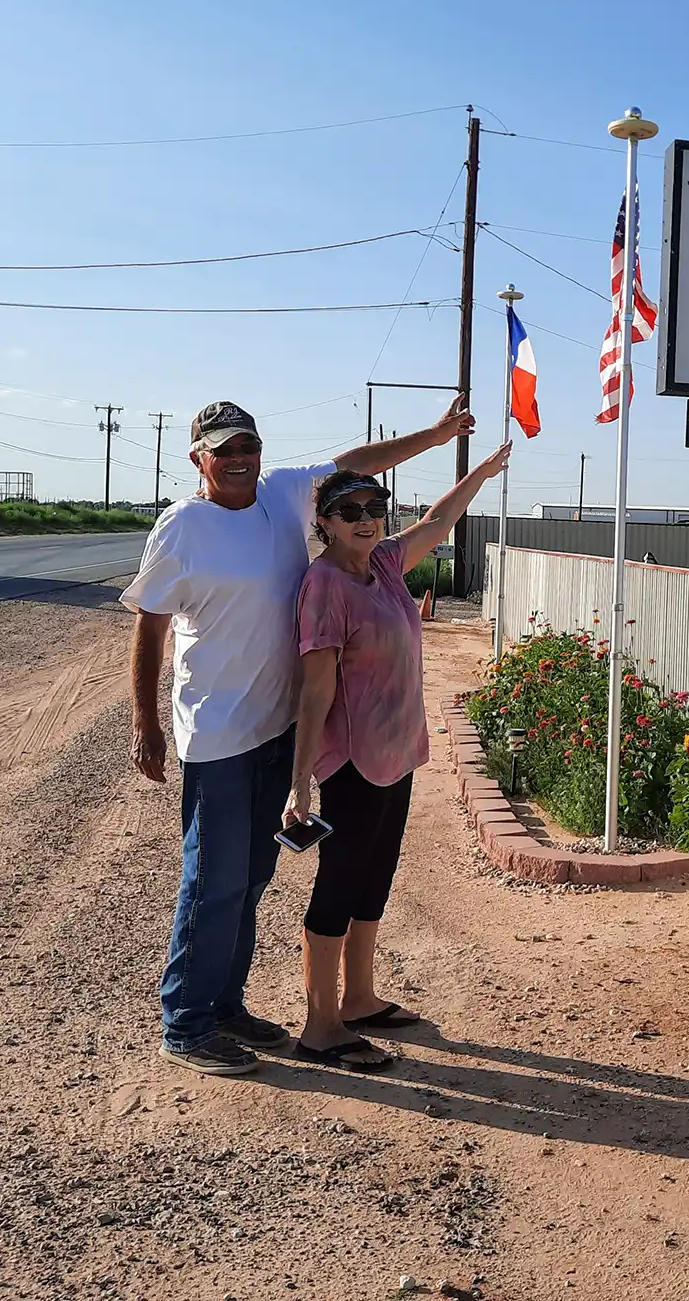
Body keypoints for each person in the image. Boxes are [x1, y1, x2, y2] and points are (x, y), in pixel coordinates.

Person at [123, 397, 474, 1077]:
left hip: (278, 729)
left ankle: (226, 1005)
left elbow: (360, 464)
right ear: (199, 457)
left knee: (252, 878)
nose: (237, 459)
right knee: (213, 881)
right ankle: (186, 1024)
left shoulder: (284, 491)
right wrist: (146, 721)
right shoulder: (182, 527)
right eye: (222, 449)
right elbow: (151, 623)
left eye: (246, 445)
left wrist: (436, 437)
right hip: (219, 733)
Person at [282, 441, 512, 1070]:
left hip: (398, 751)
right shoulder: (324, 585)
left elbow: (439, 522)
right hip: (353, 761)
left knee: (375, 878)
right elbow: (317, 687)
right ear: (323, 521)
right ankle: (320, 1023)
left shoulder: (383, 564)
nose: (365, 516)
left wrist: (480, 475)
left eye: (373, 505)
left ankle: (359, 999)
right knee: (339, 880)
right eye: (348, 508)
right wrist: (300, 782)